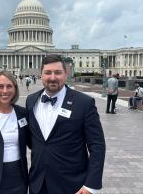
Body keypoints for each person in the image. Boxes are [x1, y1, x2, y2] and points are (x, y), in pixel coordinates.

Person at [26, 54, 105, 194]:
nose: (52, 77)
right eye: (48, 72)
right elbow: (34, 141)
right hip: (38, 184)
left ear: (66, 74)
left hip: (72, 185)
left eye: (58, 72)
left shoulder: (84, 103)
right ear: (41, 74)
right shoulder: (31, 101)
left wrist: (91, 185)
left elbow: (97, 146)